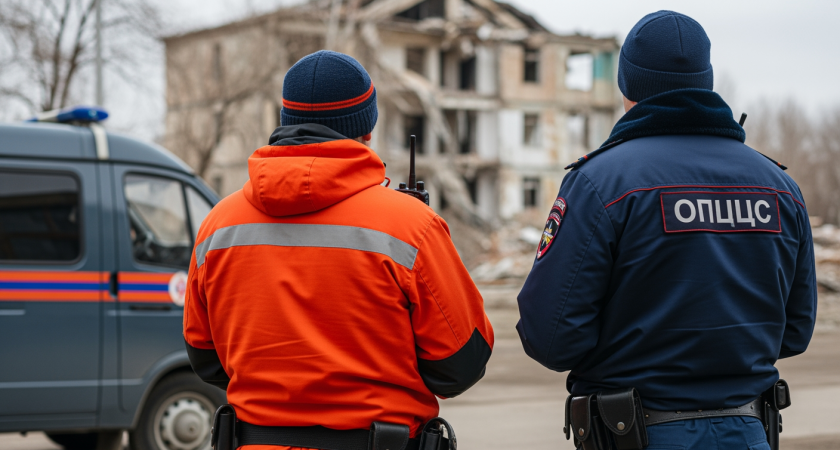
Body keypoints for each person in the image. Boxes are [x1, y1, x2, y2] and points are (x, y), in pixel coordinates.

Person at [517, 11, 816, 450]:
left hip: (637, 434)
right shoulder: (779, 187)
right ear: (705, 80)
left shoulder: (601, 183)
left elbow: (551, 338)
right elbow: (795, 331)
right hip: (748, 431)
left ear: (627, 85)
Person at [183, 50, 493, 450]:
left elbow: (205, 357)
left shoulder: (219, 226)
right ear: (366, 128)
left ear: (284, 120)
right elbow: (461, 365)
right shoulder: (411, 227)